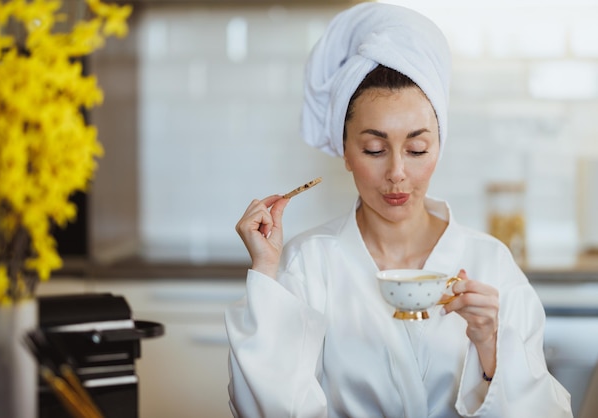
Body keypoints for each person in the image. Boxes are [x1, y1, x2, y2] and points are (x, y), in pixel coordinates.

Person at [224, 2, 572, 417]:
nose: (397, 173)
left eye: (417, 148)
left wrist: (492, 351)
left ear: (439, 147)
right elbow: (266, 410)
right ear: (346, 152)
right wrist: (265, 274)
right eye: (374, 149)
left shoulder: (489, 262)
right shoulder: (307, 263)